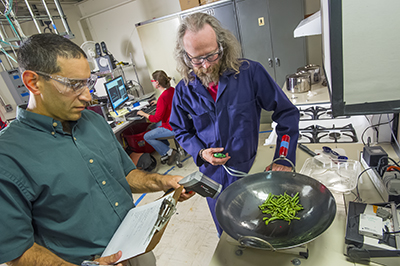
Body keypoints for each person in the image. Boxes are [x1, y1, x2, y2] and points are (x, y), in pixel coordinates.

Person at [0, 33, 194, 266]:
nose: (88, 96)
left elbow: (125, 174)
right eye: (74, 85)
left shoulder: (93, 122)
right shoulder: (8, 156)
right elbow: (16, 252)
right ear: (33, 82)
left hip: (136, 249)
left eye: (87, 82)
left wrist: (163, 182)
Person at [169, 13, 300, 235]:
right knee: (227, 235)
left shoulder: (250, 73)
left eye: (212, 56)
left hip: (248, 171)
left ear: (222, 46)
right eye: (197, 60)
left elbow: (287, 113)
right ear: (185, 57)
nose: (206, 65)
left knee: (260, 228)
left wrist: (284, 156)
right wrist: (201, 152)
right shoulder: (183, 90)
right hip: (212, 179)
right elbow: (181, 130)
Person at [137, 70, 177, 165]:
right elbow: (168, 103)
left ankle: (169, 152)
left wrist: (144, 114)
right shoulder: (171, 90)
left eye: (152, 81)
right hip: (176, 121)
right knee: (153, 127)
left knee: (147, 136)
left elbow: (156, 119)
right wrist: (158, 103)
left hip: (171, 127)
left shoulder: (162, 98)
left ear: (157, 83)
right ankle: (165, 150)